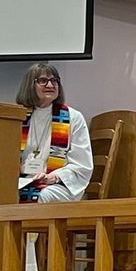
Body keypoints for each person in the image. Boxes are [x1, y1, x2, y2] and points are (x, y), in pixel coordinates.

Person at [16, 63, 92, 203]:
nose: (50, 85)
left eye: (54, 80)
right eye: (43, 81)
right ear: (29, 85)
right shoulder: (18, 116)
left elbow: (82, 164)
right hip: (21, 181)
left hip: (58, 184)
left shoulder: (72, 117)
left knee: (42, 196)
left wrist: (54, 176)